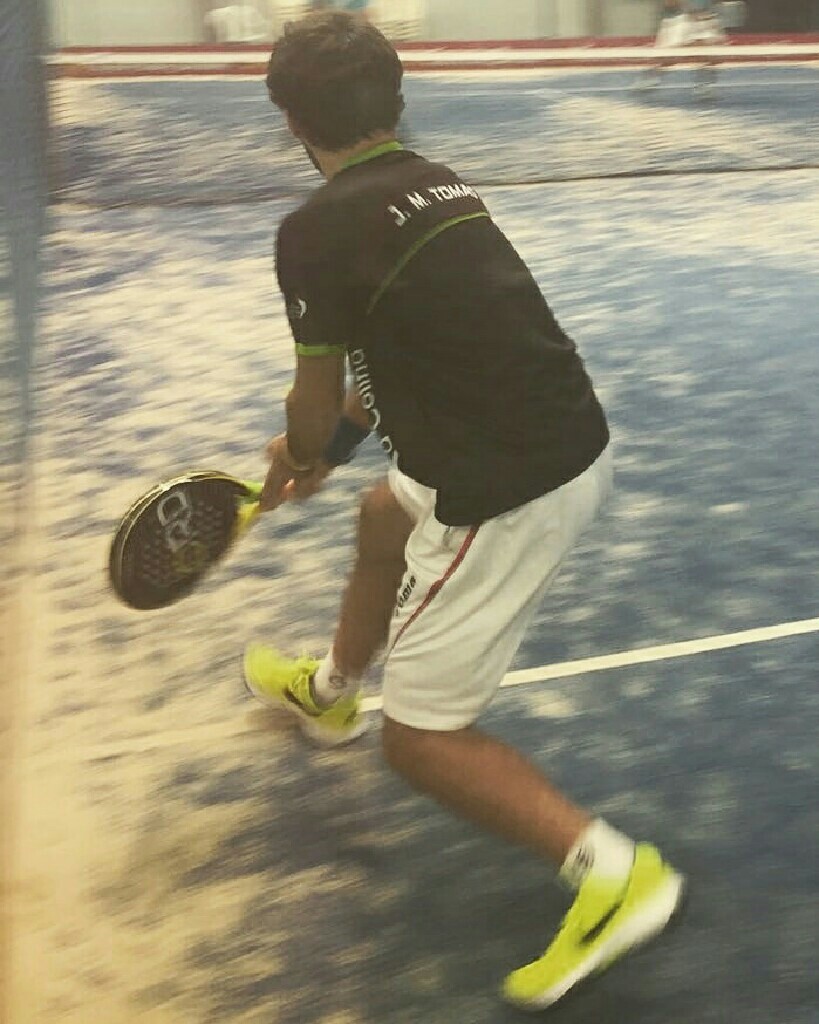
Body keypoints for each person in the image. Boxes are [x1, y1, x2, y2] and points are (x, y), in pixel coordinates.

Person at [246, 10, 685, 1011]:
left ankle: (618, 875)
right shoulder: (436, 183)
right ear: (394, 100)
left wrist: (299, 449)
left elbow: (315, 396)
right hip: (554, 431)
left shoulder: (313, 231)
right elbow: (390, 363)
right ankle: (332, 691)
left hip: (507, 485)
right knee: (380, 518)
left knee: (421, 740)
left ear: (290, 122)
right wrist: (330, 456)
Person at [643, 0, 726, 97]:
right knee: (670, 58)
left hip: (704, 21)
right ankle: (649, 78)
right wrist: (690, 11)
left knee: (712, 55)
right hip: (682, 22)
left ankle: (704, 84)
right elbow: (671, 3)